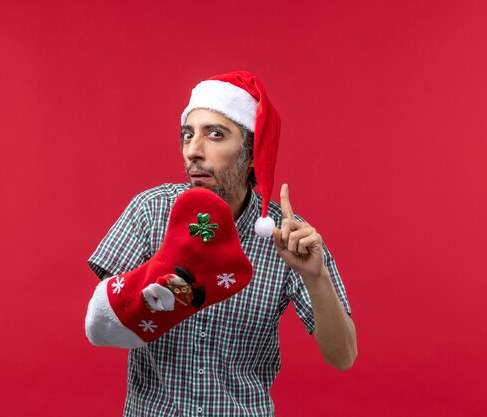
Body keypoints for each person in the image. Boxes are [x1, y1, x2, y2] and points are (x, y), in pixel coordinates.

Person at [85, 71, 357, 417]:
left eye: (215, 135)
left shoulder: (288, 236)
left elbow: (343, 356)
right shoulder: (150, 211)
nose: (194, 151)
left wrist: (315, 277)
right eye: (188, 135)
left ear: (251, 155)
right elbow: (102, 323)